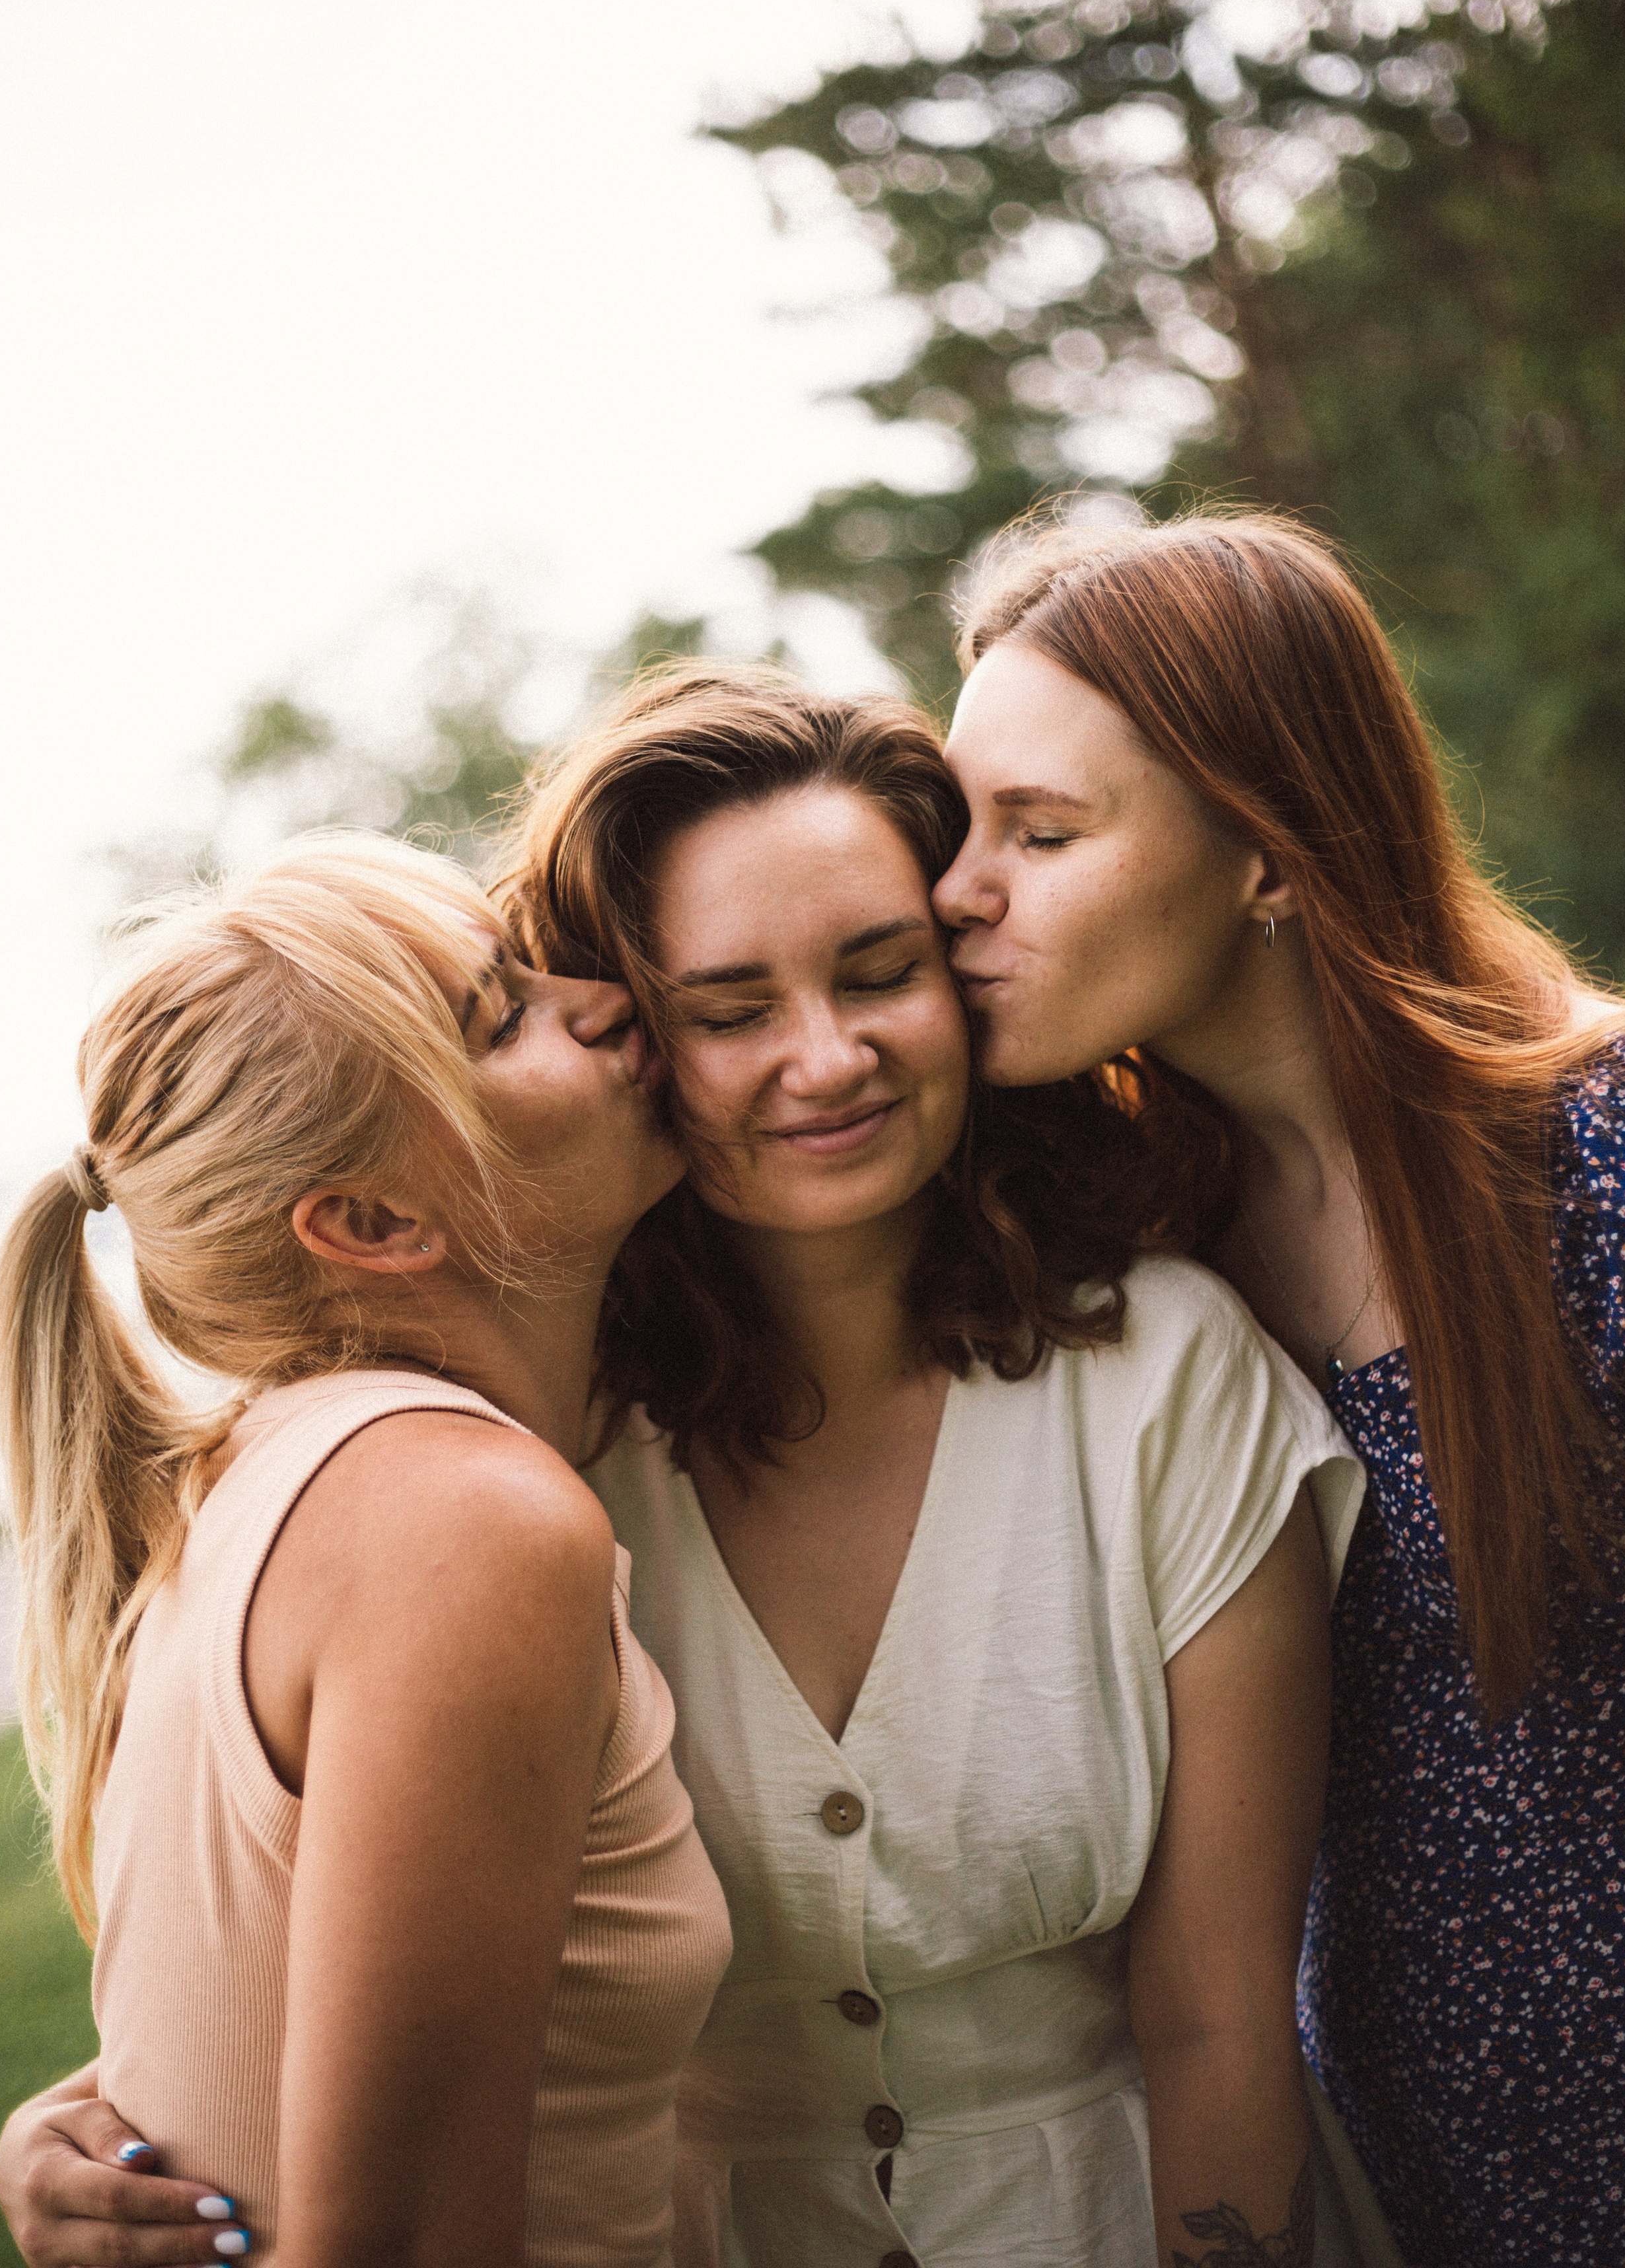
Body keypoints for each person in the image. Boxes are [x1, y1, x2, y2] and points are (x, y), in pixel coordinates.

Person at [499, 669, 1372, 2267]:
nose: (825, 1059)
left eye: (877, 972)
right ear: (624, 1038)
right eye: (730, 1010)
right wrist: (99, 2119)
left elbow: (1220, 2020)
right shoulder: (543, 1456)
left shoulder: (1164, 1377)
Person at [929, 507, 1625, 2268]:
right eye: (956, 829)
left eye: (1041, 833)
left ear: (1272, 853)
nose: (962, 891)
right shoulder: (1123, 1244)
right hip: (1421, 2213)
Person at [0, 834, 730, 2268]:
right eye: (501, 1016)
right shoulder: (464, 1526)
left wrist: (66, 2123)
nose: (596, 1000)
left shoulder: (260, 1479)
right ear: (377, 1223)